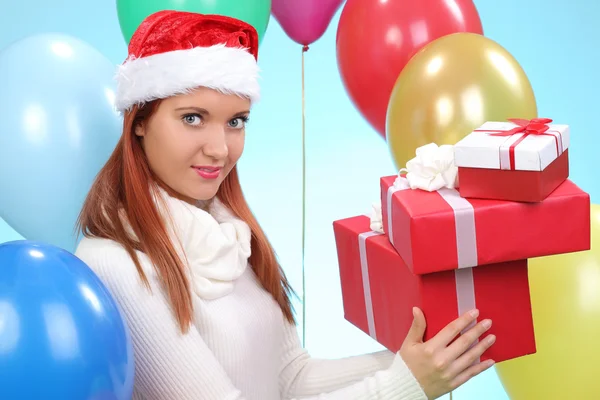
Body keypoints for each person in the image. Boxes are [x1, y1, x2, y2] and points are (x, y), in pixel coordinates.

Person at [74, 10, 495, 400]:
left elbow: (292, 378)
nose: (220, 149)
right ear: (140, 120)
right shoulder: (116, 261)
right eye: (192, 118)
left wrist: (429, 358)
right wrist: (406, 383)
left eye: (236, 121)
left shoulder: (231, 235)